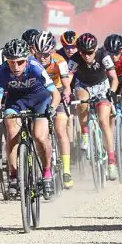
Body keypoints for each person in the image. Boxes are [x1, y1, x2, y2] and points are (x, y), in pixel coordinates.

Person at [0, 39, 60, 198]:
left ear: (26, 59)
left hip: (40, 99)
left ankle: (47, 173)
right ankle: (14, 175)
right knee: (11, 133)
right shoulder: (2, 72)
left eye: (20, 62)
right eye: (11, 63)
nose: (15, 67)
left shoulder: (36, 67)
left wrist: (52, 109)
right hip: (16, 101)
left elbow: (55, 94)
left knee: (39, 136)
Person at [67, 33, 119, 180]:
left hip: (102, 86)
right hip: (83, 86)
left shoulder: (104, 55)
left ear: (95, 49)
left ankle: (111, 162)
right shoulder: (75, 58)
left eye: (90, 52)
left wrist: (113, 92)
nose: (86, 56)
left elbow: (114, 78)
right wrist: (66, 90)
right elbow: (68, 77)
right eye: (83, 52)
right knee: (82, 100)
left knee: (103, 121)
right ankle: (84, 132)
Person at [32, 30, 74, 188]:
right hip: (40, 96)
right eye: (39, 54)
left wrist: (67, 95)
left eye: (45, 55)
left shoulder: (60, 61)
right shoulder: (32, 62)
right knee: (38, 134)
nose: (42, 58)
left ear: (52, 51)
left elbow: (66, 85)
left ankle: (67, 170)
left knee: (60, 130)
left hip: (58, 93)